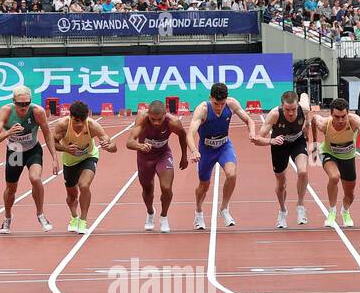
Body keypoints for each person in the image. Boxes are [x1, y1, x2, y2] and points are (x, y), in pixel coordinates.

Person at [0, 86, 59, 234]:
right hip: (15, 151)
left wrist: (54, 158)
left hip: (33, 149)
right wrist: (8, 132)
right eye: (20, 104)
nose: (24, 107)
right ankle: (7, 217)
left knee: (35, 178)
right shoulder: (6, 111)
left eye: (27, 103)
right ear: (14, 102)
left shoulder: (37, 111)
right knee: (11, 188)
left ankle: (41, 214)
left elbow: (47, 134)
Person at [187, 83, 258, 229]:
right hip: (206, 150)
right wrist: (194, 150)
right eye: (216, 103)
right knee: (204, 185)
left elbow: (249, 120)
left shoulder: (231, 104)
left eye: (222, 103)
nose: (219, 107)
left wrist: (252, 132)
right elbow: (190, 133)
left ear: (226, 99)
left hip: (224, 146)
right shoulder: (203, 109)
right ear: (210, 98)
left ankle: (224, 209)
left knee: (231, 174)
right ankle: (199, 212)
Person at [310, 98, 360, 229]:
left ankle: (345, 211)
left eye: (343, 116)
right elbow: (314, 119)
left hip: (348, 157)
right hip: (329, 153)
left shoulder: (354, 121)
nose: (341, 120)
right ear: (331, 114)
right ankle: (331, 212)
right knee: (334, 176)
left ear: (348, 113)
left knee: (350, 194)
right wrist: (314, 144)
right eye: (337, 117)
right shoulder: (325, 124)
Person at [50, 102, 117, 234]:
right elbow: (52, 143)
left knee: (84, 185)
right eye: (76, 121)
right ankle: (74, 216)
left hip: (88, 157)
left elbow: (113, 145)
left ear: (87, 117)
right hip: (69, 162)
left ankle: (83, 220)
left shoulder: (92, 125)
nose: (80, 124)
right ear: (71, 116)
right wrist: (66, 149)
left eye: (82, 121)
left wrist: (109, 146)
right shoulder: (63, 125)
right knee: (71, 195)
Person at [125, 100, 189, 233]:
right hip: (145, 157)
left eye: (159, 119)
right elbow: (129, 142)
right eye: (153, 119)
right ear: (148, 114)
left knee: (166, 187)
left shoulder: (173, 122)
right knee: (147, 189)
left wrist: (184, 156)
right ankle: (150, 212)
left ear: (165, 114)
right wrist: (140, 146)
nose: (156, 123)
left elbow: (183, 136)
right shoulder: (142, 119)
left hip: (163, 155)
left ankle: (164, 216)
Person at [251, 91, 313, 228]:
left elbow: (304, 95)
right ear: (281, 106)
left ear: (297, 105)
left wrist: (307, 125)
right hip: (279, 145)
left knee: (302, 172)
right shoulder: (274, 114)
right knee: (281, 184)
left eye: (293, 109)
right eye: (287, 110)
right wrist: (271, 140)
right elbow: (258, 139)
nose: (291, 113)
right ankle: (283, 210)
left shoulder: (304, 108)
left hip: (298, 142)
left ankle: (300, 206)